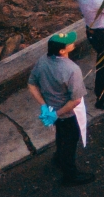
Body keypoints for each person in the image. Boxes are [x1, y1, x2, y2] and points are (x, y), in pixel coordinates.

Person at [30, 30, 94, 184]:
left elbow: (31, 84)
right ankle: (70, 175)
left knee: (60, 135)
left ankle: (58, 158)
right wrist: (58, 113)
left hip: (52, 109)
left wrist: (45, 107)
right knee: (70, 142)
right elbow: (76, 100)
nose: (73, 42)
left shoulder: (42, 61)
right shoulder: (72, 70)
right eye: (70, 43)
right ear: (62, 51)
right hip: (67, 113)